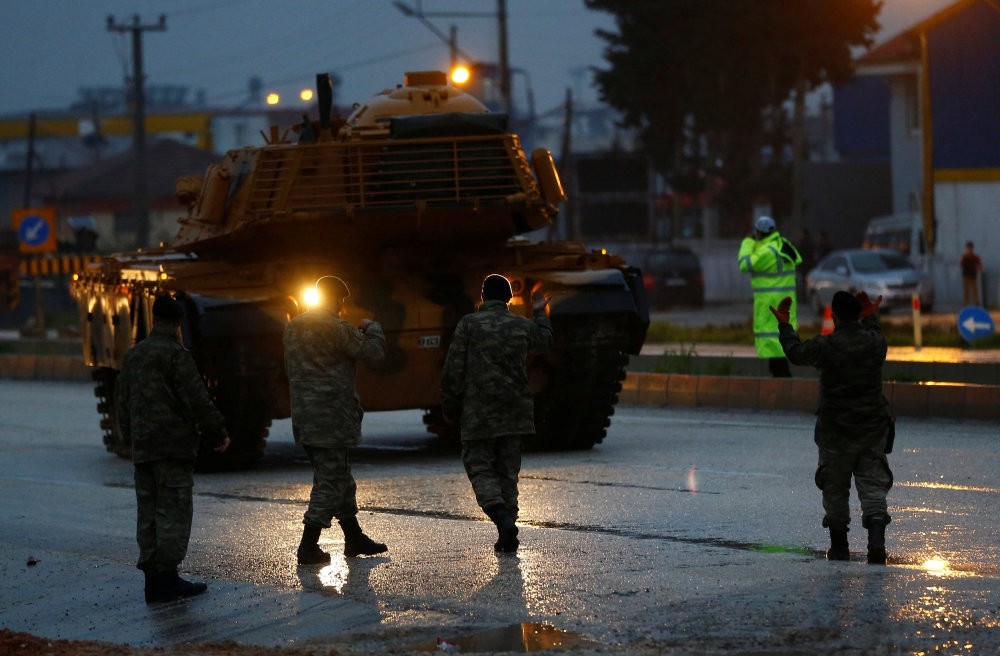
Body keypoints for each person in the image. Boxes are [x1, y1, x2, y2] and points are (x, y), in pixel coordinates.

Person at [116, 294, 231, 603]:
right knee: (173, 511)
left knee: (149, 513)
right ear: (178, 322)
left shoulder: (134, 355)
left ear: (154, 319)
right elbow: (196, 398)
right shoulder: (176, 355)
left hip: (144, 449)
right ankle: (168, 579)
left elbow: (122, 402)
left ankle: (152, 581)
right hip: (172, 447)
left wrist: (130, 438)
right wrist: (217, 432)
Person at [769, 290, 893, 565]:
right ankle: (876, 543)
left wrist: (784, 324)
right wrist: (871, 316)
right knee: (873, 487)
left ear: (834, 315)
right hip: (871, 429)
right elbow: (876, 332)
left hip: (835, 433)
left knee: (835, 490)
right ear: (858, 314)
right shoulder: (875, 343)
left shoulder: (826, 346)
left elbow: (795, 353)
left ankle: (839, 547)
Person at [440, 274, 553, 553]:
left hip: (479, 411)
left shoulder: (469, 324)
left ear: (483, 296)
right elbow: (545, 343)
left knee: (479, 467)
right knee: (507, 473)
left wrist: (450, 407)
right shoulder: (521, 325)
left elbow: (453, 369)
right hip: (515, 410)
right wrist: (540, 314)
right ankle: (507, 534)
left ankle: (502, 518)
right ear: (508, 298)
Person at [284, 275, 387, 564]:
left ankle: (354, 537)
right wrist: (373, 328)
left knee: (338, 476)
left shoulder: (292, 328)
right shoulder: (337, 328)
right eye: (341, 301)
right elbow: (374, 354)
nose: (342, 307)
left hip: (305, 416)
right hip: (332, 416)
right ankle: (308, 546)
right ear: (337, 299)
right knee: (329, 481)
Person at [737, 215, 802, 378]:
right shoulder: (783, 245)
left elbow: (744, 264)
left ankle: (784, 385)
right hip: (784, 303)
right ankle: (783, 381)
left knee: (775, 349)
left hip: (770, 305)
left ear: (758, 233)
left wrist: (747, 242)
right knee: (782, 342)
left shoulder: (767, 252)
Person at [959, 241, 984, 306]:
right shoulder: (964, 257)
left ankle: (976, 303)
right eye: (968, 248)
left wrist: (979, 268)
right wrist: (962, 259)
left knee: (974, 291)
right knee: (966, 291)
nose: (969, 250)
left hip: (973, 276)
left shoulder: (975, 257)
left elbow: (980, 265)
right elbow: (960, 265)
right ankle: (965, 304)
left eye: (970, 248)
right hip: (966, 276)